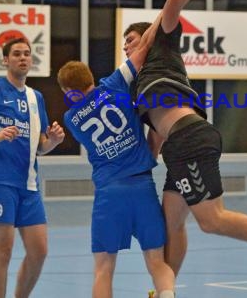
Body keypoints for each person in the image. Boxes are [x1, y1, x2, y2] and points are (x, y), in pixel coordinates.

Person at [123, 0, 247, 277]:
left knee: (212, 220)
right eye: (123, 46)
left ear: (147, 37)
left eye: (131, 41)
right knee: (172, 223)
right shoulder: (138, 84)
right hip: (177, 145)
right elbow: (155, 137)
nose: (126, 48)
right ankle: (166, 289)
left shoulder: (161, 45)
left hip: (189, 137)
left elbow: (173, 1)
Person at [56, 16, 175, 298]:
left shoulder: (71, 118)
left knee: (103, 268)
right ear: (90, 78)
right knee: (157, 262)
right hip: (142, 186)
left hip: (108, 192)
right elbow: (143, 48)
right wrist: (161, 18)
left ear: (68, 92)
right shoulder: (115, 85)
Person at [0, 37, 65, 298]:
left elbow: (39, 146)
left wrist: (52, 141)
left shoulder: (36, 97)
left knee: (39, 251)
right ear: (6, 60)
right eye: (17, 53)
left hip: (29, 186)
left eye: (27, 54)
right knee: (3, 252)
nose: (23, 58)